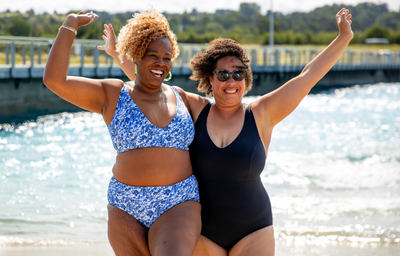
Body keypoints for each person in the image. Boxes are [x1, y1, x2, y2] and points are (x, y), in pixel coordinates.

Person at [101, 8, 353, 256]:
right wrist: (117, 54)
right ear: (210, 79)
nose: (231, 81)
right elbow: (150, 84)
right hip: (202, 235)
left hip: (254, 231)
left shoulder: (262, 113)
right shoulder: (195, 109)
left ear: (246, 78)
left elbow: (308, 77)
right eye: (222, 74)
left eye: (238, 73)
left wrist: (343, 37)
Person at [42, 9, 202, 256]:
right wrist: (70, 25)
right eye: (153, 55)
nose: (161, 62)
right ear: (137, 55)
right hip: (125, 204)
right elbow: (55, 80)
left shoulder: (181, 97)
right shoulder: (113, 95)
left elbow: (228, 110)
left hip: (178, 201)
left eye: (167, 57)